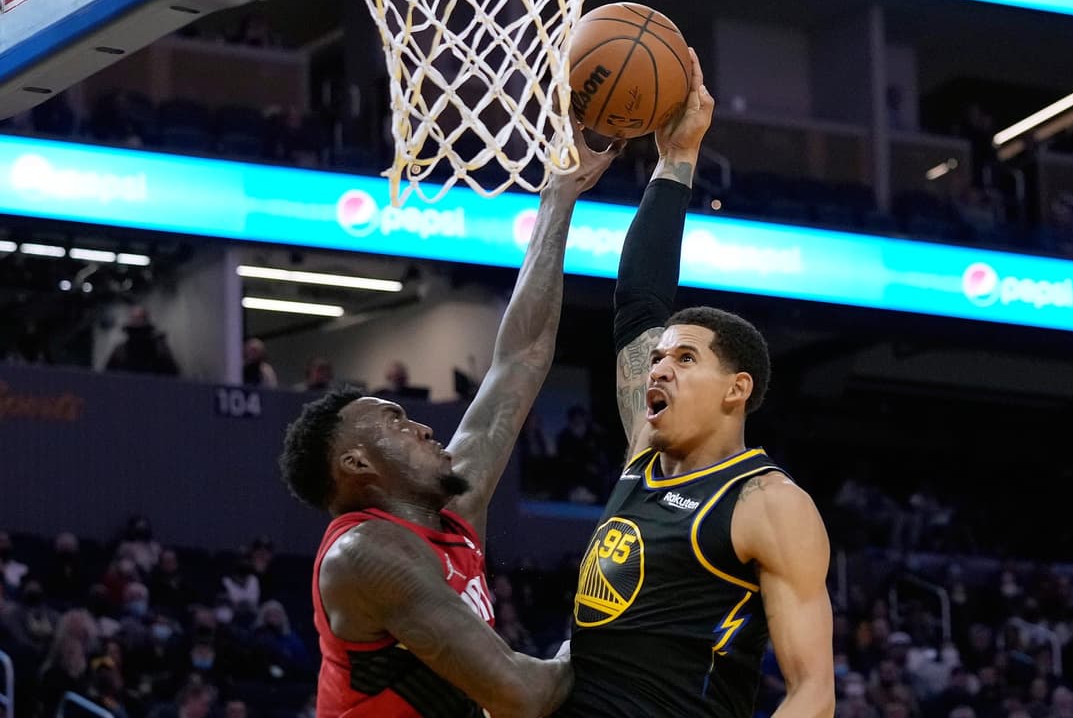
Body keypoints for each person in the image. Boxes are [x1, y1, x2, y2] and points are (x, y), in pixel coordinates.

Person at [278, 127, 622, 718]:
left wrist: (558, 197)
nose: (423, 428)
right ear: (358, 465)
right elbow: (520, 694)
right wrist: (621, 640)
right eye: (395, 422)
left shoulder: (452, 512)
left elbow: (520, 357)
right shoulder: (364, 555)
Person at [554, 48, 835, 718]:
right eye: (659, 359)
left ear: (736, 389)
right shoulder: (641, 457)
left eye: (684, 360)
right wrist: (676, 158)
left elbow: (813, 693)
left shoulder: (769, 504)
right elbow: (639, 304)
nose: (658, 366)